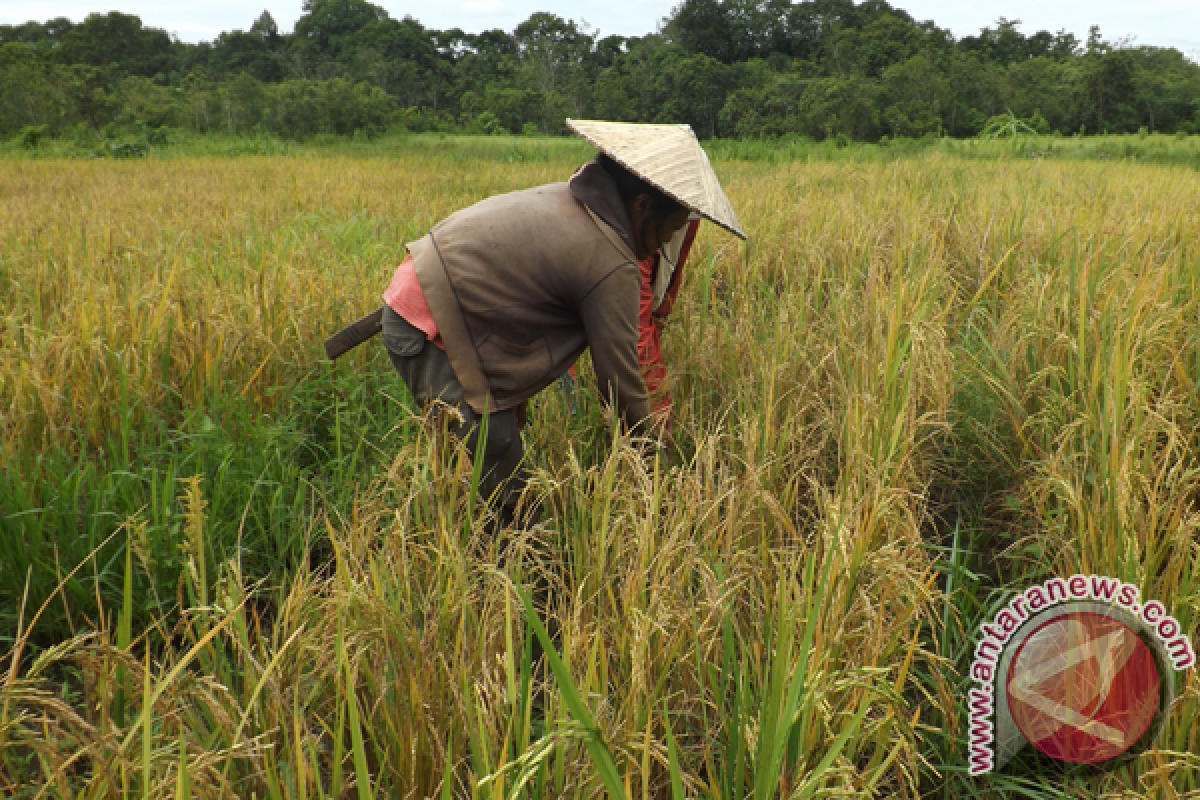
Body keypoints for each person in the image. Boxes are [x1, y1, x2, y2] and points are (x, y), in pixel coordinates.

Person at [325, 119, 745, 530]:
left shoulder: (576, 200)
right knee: (504, 483)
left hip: (443, 308)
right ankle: (506, 583)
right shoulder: (610, 260)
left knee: (489, 458)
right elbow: (620, 382)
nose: (661, 247)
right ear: (641, 206)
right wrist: (653, 470)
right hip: (428, 324)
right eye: (667, 231)